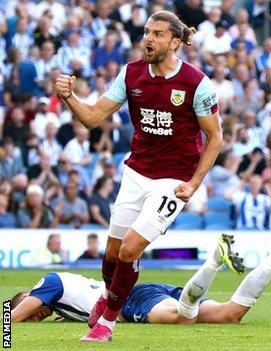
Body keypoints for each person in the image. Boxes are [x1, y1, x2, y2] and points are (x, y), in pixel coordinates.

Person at [54, 11, 223, 342]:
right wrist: (69, 97)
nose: (149, 38)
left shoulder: (196, 83)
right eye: (147, 32)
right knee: (112, 254)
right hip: (136, 172)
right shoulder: (131, 75)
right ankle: (107, 293)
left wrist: (194, 183)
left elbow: (215, 138)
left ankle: (107, 324)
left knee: (131, 249)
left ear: (175, 42)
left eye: (158, 34)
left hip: (173, 180)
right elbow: (92, 118)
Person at [11, 234, 271, 325]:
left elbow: (10, 317)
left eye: (32, 315)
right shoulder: (63, 304)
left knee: (183, 320)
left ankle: (216, 258)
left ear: (28, 296)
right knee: (229, 315)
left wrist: (8, 319)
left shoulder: (47, 283)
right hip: (147, 293)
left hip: (133, 300)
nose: (35, 318)